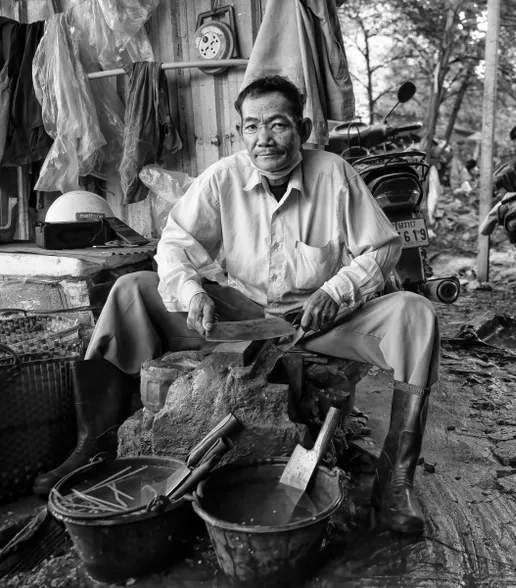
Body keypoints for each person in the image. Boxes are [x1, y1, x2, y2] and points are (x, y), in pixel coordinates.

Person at [33, 75, 439, 536]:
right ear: (241, 131)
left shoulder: (333, 173)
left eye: (278, 125)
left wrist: (336, 292)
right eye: (251, 126)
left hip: (318, 319)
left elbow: (382, 248)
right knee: (130, 290)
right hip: (243, 317)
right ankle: (95, 445)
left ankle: (396, 480)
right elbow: (174, 246)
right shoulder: (223, 176)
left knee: (415, 313)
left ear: (302, 130)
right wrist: (195, 293)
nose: (264, 138)